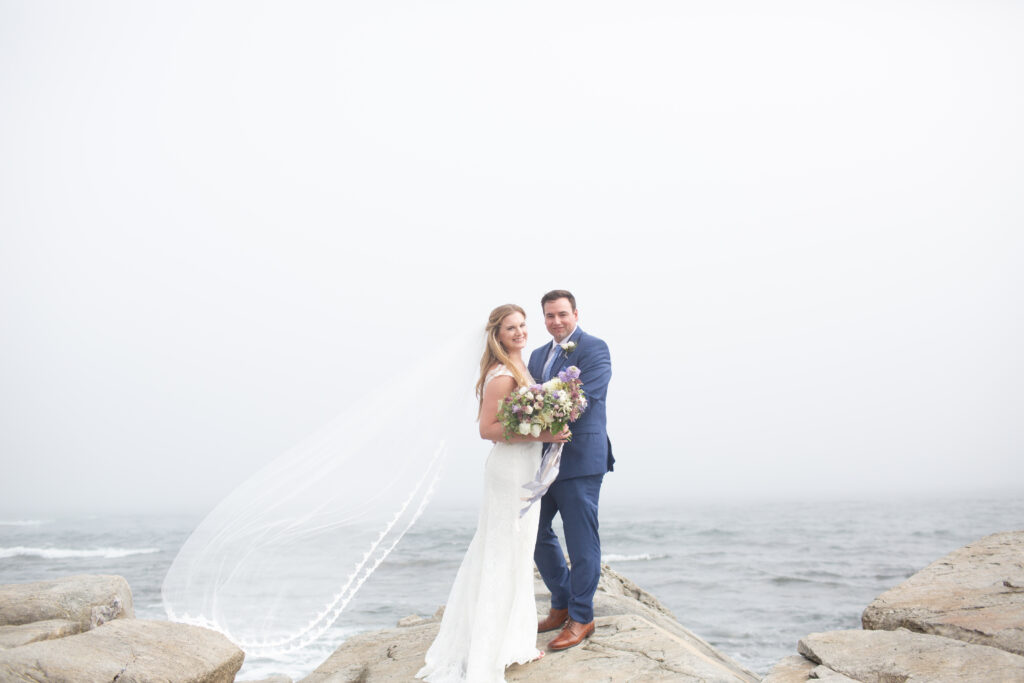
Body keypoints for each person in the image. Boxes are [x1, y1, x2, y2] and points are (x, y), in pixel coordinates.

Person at [417, 304, 569, 683]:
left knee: (516, 552)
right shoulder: (501, 374)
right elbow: (488, 429)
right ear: (497, 335)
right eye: (510, 328)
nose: (519, 332)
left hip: (525, 468)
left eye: (522, 325)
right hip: (509, 472)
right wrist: (546, 433)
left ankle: (512, 640)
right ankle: (487, 650)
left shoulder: (522, 367)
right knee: (502, 551)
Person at [528, 289, 614, 651]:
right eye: (549, 316)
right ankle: (561, 602)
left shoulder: (594, 348)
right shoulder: (535, 356)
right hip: (541, 459)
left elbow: (584, 399)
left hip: (580, 459)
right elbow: (527, 395)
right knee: (532, 530)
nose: (556, 321)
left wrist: (536, 412)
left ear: (575, 314)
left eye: (562, 314)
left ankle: (582, 617)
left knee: (581, 542)